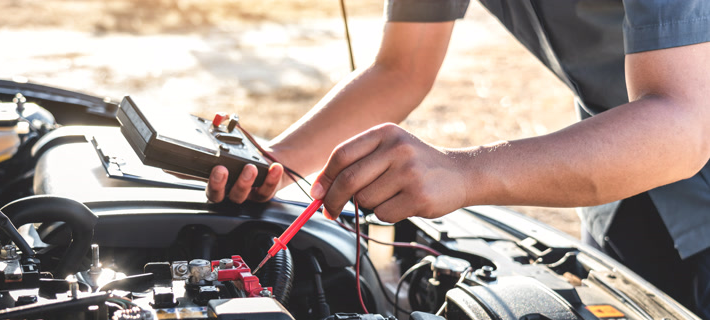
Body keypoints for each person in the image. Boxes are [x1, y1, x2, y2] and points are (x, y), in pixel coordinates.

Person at [203, 0, 710, 316]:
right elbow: (402, 68)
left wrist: (463, 170)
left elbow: (682, 123)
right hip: (619, 177)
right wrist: (273, 160)